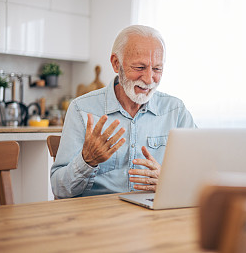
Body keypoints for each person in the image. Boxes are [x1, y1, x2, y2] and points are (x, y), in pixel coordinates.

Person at [50, 25, 196, 198]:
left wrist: (169, 182)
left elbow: (200, 175)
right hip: (98, 215)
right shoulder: (82, 109)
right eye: (140, 68)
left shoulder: (176, 111)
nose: (149, 79)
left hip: (153, 216)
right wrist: (87, 161)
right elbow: (59, 190)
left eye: (157, 69)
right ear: (116, 63)